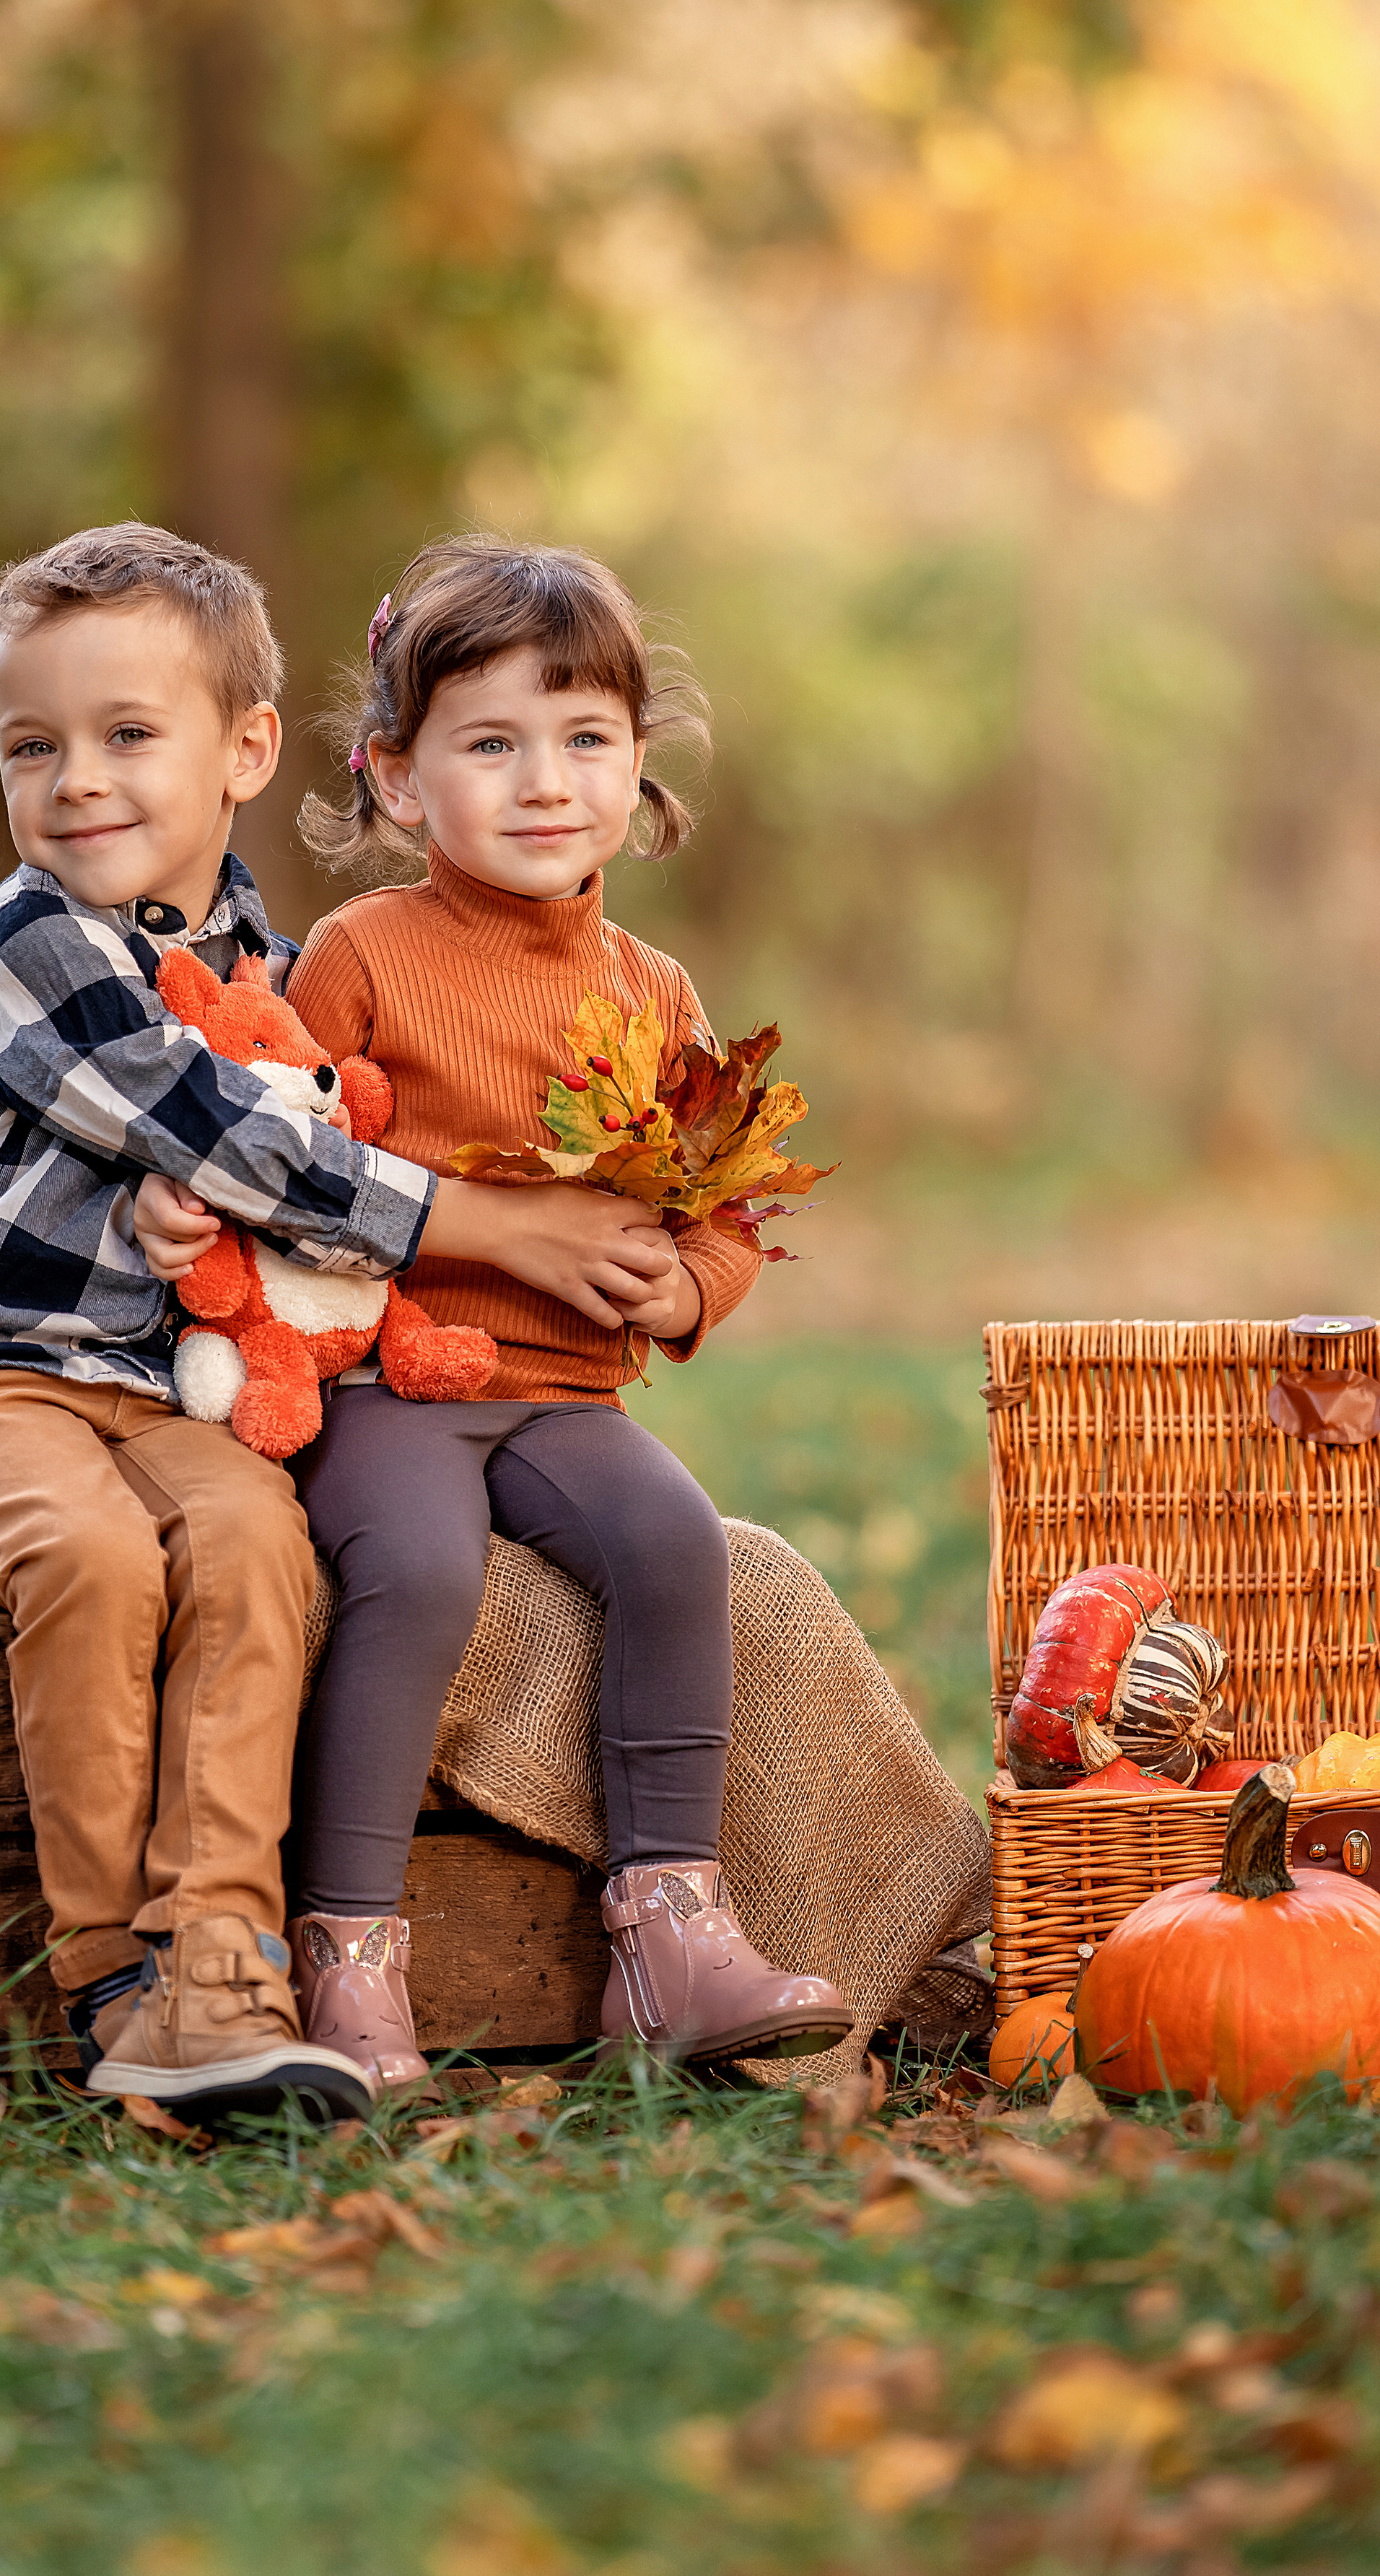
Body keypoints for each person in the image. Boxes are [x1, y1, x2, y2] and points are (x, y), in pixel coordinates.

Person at [0, 523, 683, 2126]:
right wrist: (470, 1220)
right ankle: (107, 1970)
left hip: (165, 1398)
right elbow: (248, 1142)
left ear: (241, 754)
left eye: (125, 736)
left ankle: (220, 1957)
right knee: (89, 1561)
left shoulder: (271, 969)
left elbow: (271, 1171)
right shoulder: (35, 946)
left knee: (256, 1555)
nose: (77, 780)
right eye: (35, 746)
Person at [134, 536, 852, 2087]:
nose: (545, 783)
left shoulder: (652, 993)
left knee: (672, 1546)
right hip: (387, 1387)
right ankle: (349, 1952)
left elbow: (718, 1207)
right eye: (490, 744)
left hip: (561, 1398)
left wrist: (682, 1284)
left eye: (584, 740)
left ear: (638, 766)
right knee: (416, 1572)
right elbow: (277, 1139)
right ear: (396, 783)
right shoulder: (361, 957)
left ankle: (666, 1933)